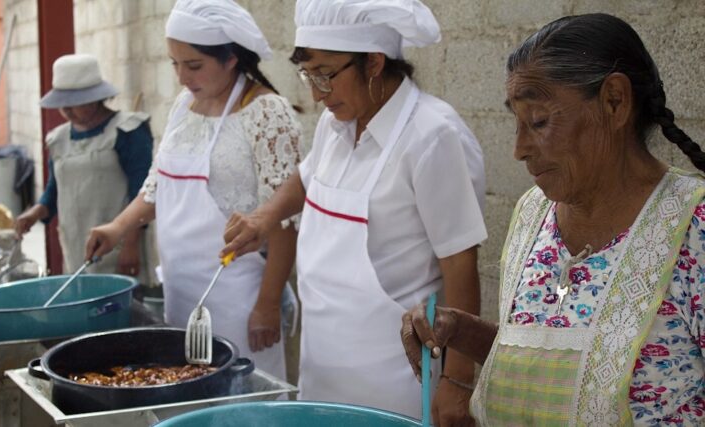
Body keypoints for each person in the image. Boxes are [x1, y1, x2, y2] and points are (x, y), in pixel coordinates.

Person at [401, 13, 705, 426]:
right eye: (517, 124)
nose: (519, 149)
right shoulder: (533, 213)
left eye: (539, 121)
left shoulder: (693, 229)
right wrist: (459, 329)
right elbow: (544, 367)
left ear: (614, 100)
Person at [222, 0, 487, 419]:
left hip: (397, 378)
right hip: (324, 364)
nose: (315, 93)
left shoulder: (432, 136)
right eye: (308, 75)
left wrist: (457, 381)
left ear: (374, 62)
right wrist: (265, 217)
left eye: (325, 75)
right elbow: (307, 179)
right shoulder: (337, 122)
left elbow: (460, 264)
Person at [85, 0, 303, 380]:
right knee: (184, 394)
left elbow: (286, 221)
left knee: (242, 401)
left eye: (194, 65)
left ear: (231, 59)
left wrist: (268, 304)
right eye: (174, 63)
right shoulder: (184, 107)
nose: (182, 77)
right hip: (181, 291)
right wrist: (118, 228)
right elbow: (157, 185)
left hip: (239, 299)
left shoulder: (266, 112)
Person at [15, 54, 153, 278]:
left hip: (119, 245)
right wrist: (33, 213)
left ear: (96, 98)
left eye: (74, 104)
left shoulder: (128, 131)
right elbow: (54, 190)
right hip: (75, 245)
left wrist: (130, 246)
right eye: (62, 105)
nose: (67, 111)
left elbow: (143, 193)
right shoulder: (58, 139)